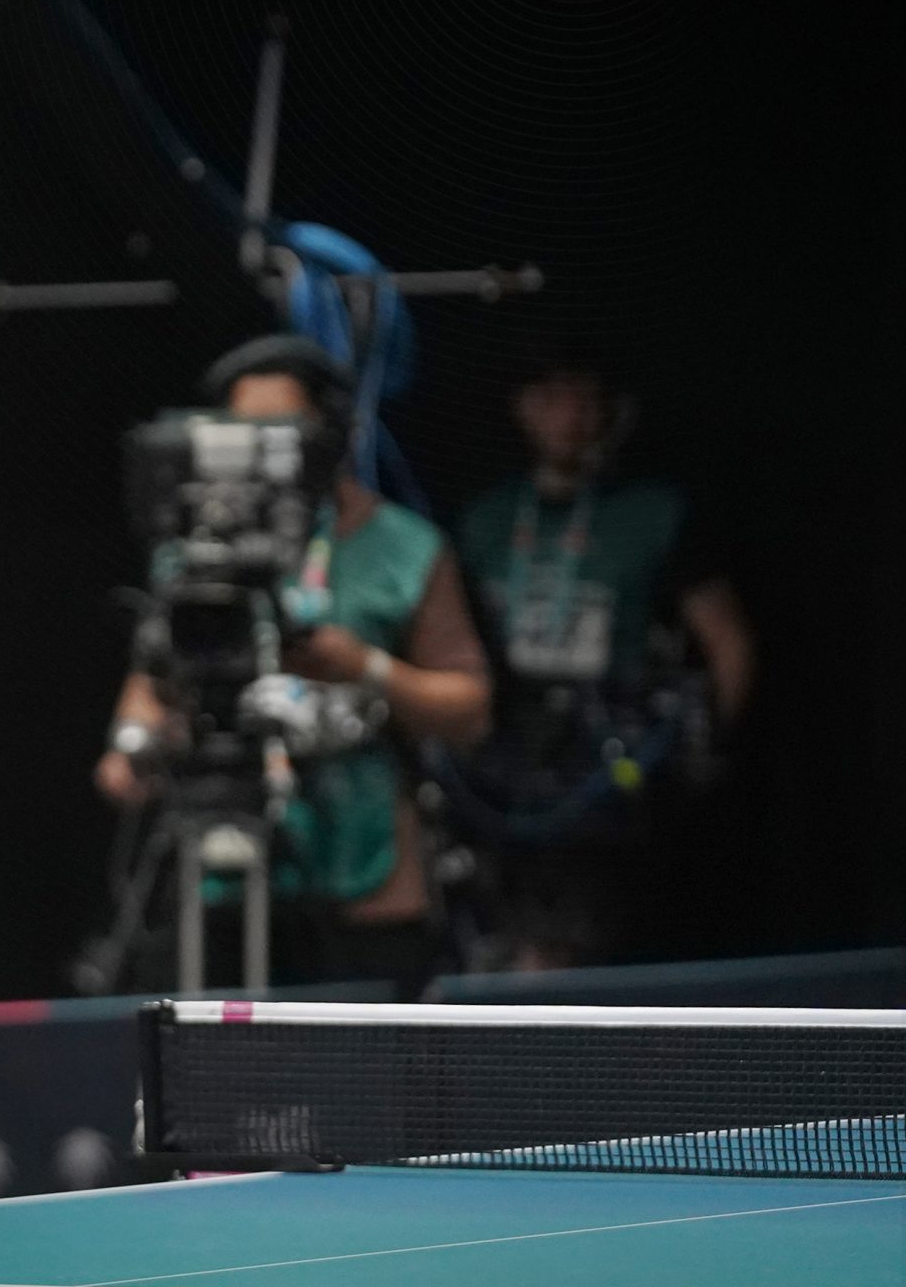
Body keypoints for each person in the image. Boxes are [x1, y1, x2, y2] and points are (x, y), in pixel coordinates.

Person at [92, 336, 491, 994]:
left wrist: (365, 667)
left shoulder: (404, 547)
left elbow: (470, 710)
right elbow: (150, 684)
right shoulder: (195, 549)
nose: (259, 449)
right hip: (227, 857)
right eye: (242, 430)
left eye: (280, 431)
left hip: (364, 858)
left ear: (331, 434)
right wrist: (135, 746)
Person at [451, 337, 754, 969]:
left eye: (586, 402)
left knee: (581, 935)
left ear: (614, 414)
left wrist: (699, 749)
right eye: (552, 399)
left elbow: (727, 639)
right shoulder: (486, 520)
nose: (570, 418)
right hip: (502, 759)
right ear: (523, 408)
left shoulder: (655, 514)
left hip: (608, 757)